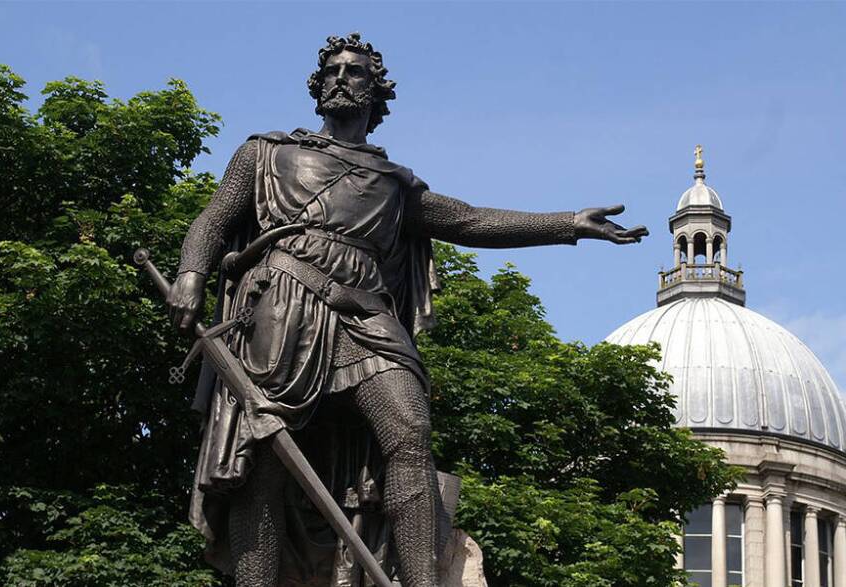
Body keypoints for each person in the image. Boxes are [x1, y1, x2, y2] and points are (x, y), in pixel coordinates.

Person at [168, 32, 648, 587]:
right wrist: (190, 274)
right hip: (282, 307)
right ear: (318, 87)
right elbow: (212, 220)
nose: (341, 79)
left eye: (355, 72)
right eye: (332, 71)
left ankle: (422, 580)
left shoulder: (395, 185)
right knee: (265, 450)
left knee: (409, 429)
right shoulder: (266, 153)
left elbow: (471, 222)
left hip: (365, 316)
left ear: (377, 93)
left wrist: (566, 224)